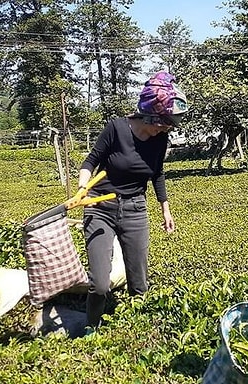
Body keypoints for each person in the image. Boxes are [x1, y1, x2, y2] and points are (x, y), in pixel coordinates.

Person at [77, 71, 188, 332]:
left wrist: (166, 210)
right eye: (162, 122)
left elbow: (157, 173)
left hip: (135, 209)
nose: (165, 128)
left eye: (168, 124)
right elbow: (90, 162)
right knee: (100, 284)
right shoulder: (116, 128)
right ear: (148, 114)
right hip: (99, 207)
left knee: (139, 282)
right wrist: (83, 187)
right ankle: (89, 330)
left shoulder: (161, 139)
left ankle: (138, 333)